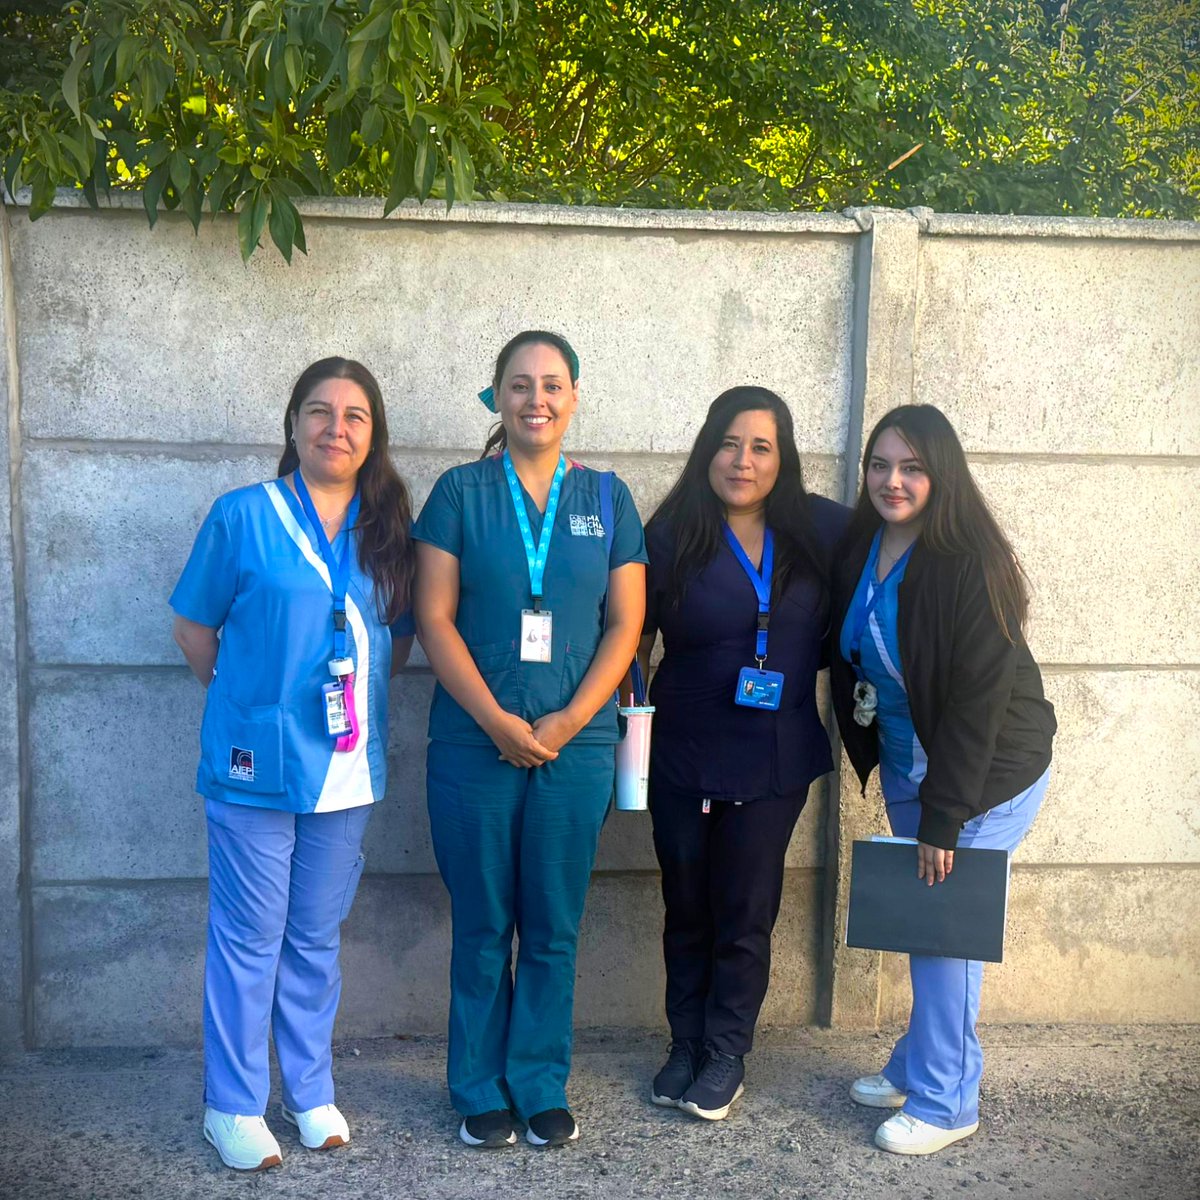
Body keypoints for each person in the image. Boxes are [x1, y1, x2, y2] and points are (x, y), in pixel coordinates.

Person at [170, 357, 415, 1171]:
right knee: (248, 935)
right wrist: (249, 701)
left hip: (346, 769)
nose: (334, 427)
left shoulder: (388, 531)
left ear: (372, 435)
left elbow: (399, 638)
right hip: (256, 764)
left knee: (314, 935)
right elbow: (194, 630)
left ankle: (306, 1090)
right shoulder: (243, 516)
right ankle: (231, 1105)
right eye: (319, 411)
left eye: (353, 416)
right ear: (293, 423)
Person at [412, 331, 647, 1150]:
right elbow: (432, 619)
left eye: (551, 384)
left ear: (574, 396)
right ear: (495, 399)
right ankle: (478, 1085)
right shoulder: (458, 493)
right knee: (483, 923)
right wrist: (497, 722)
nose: (535, 399)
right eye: (518, 385)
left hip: (575, 749)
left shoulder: (610, 499)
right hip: (476, 745)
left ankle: (540, 1081)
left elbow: (625, 625)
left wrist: (567, 721)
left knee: (552, 925)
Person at [829, 404, 1056, 1156]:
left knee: (943, 936)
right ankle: (918, 1062)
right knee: (924, 926)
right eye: (880, 465)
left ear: (941, 475)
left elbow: (977, 704)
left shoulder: (969, 564)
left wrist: (944, 817)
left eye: (912, 467)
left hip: (985, 774)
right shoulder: (863, 541)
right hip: (907, 763)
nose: (892, 481)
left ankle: (947, 1100)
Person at [638, 386, 850, 1121]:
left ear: (782, 456)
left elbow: (897, 544)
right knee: (686, 904)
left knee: (745, 908)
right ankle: (685, 1044)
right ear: (708, 447)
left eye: (761, 446)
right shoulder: (669, 533)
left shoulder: (819, 530)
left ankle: (727, 1048)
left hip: (773, 756)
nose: (743, 460)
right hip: (682, 749)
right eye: (730, 443)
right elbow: (632, 639)